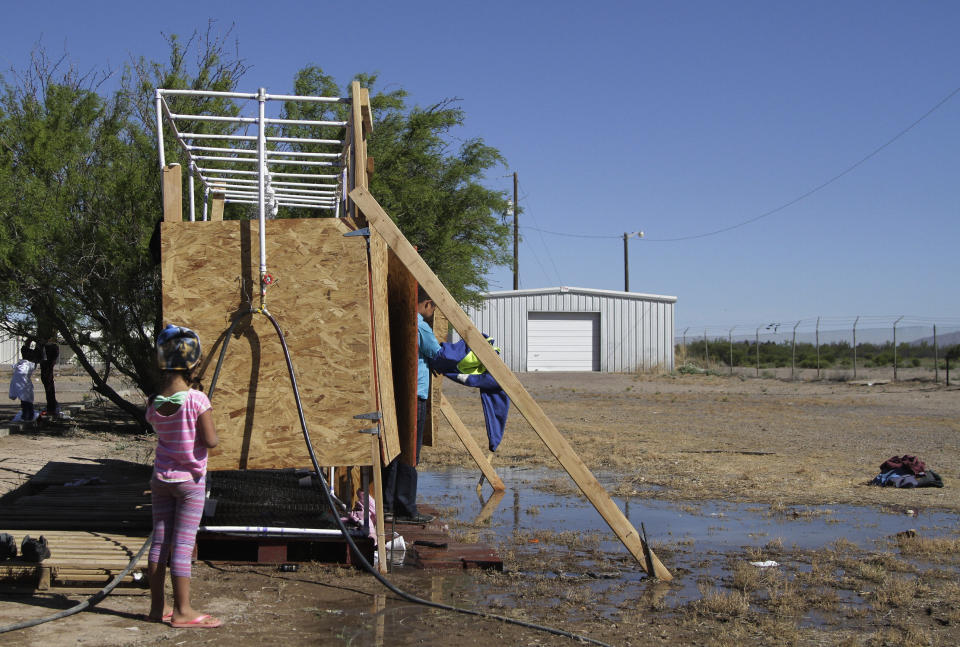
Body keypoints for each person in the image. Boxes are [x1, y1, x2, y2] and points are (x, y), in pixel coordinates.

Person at [146, 324, 222, 629]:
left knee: (159, 542)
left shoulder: (154, 402)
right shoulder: (197, 401)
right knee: (182, 544)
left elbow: (160, 426)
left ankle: (156, 608)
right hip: (189, 483)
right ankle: (183, 610)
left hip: (160, 480)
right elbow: (211, 441)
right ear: (193, 362)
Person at [382, 287, 440, 524]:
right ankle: (405, 506)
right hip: (416, 395)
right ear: (427, 304)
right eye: (433, 307)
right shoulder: (421, 327)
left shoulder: (400, 321)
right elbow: (437, 353)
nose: (432, 312)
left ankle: (387, 505)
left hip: (397, 393)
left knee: (394, 449)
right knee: (411, 452)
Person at [8, 345, 40, 422]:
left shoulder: (26, 365)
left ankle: (27, 415)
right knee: (26, 400)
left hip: (23, 383)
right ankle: (28, 415)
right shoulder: (27, 364)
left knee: (26, 401)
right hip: (23, 383)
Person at [38, 335, 59, 417]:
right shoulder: (43, 348)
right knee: (49, 388)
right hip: (45, 371)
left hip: (47, 371)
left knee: (49, 388)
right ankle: (51, 407)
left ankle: (51, 408)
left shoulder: (52, 348)